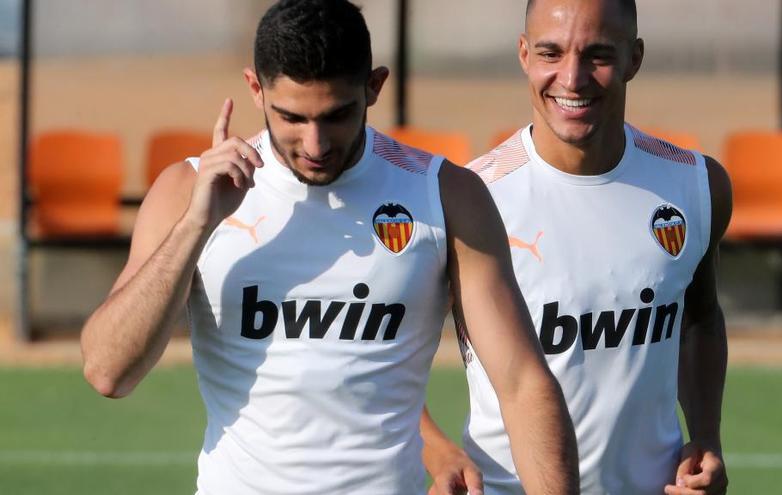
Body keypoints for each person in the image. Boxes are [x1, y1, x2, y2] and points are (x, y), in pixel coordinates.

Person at [79, 1, 579, 493]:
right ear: (255, 88)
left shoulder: (444, 194)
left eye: (337, 116)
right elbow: (108, 371)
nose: (315, 144)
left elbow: (522, 384)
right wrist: (196, 225)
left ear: (374, 87)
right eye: (292, 118)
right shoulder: (186, 191)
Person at [422, 0, 731, 494]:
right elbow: (377, 347)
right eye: (551, 53)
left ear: (635, 58)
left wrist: (707, 439)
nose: (572, 77)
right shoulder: (470, 198)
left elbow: (700, 320)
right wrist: (437, 452)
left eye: (598, 55)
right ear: (523, 54)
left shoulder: (695, 184)